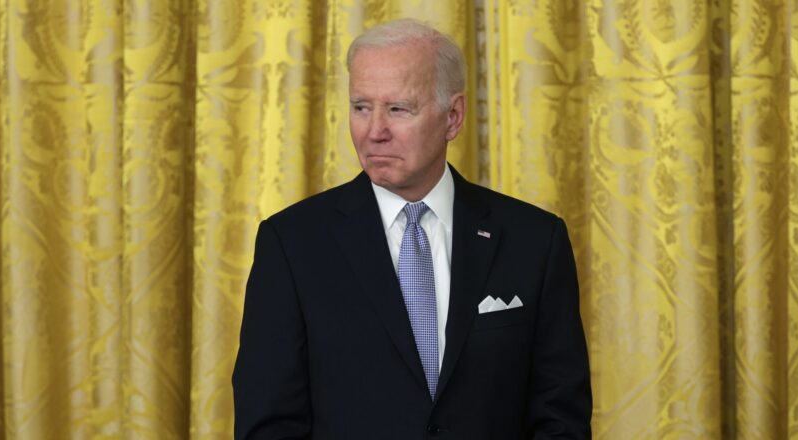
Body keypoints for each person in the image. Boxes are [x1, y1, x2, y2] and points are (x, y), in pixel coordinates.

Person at [232, 19, 591, 439]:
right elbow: (268, 425)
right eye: (361, 107)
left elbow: (560, 417)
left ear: (452, 117)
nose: (374, 131)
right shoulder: (291, 244)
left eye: (398, 109)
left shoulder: (534, 241)